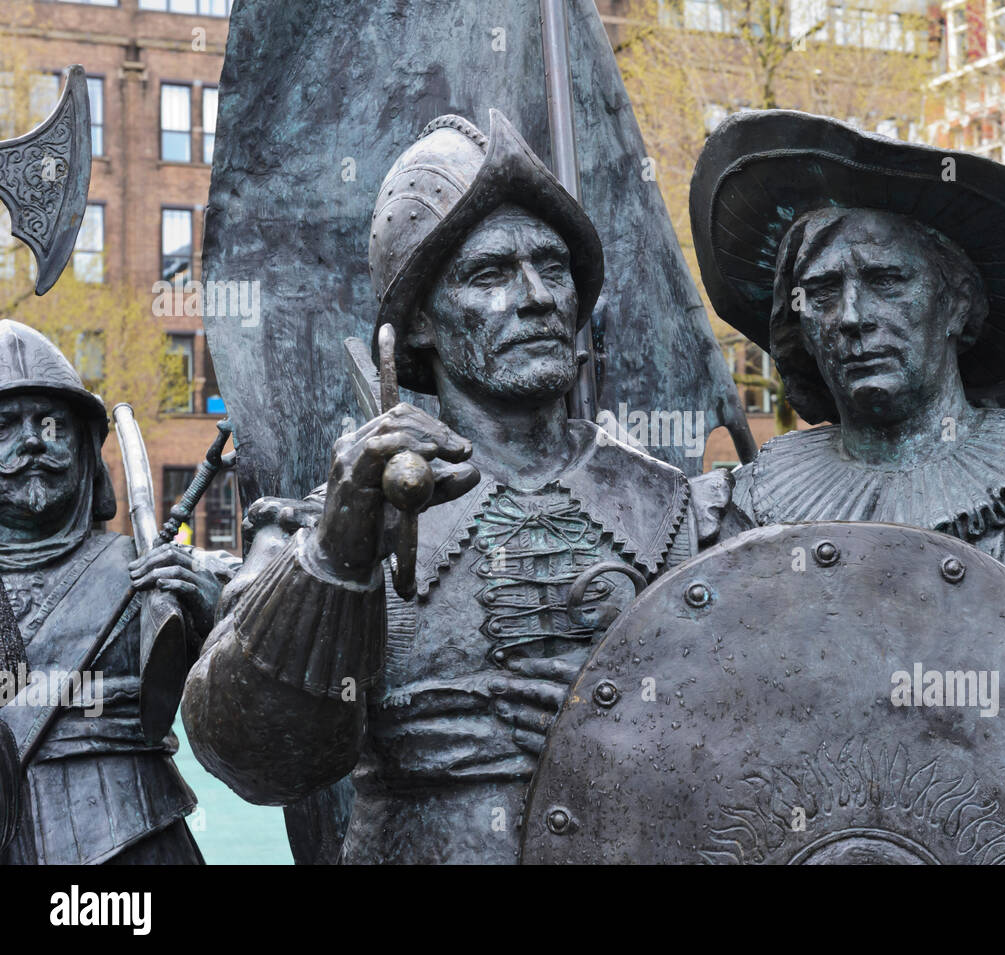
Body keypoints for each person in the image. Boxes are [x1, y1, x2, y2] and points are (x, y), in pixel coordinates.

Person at [182, 111, 730, 864]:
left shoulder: (682, 512)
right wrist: (336, 559)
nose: (537, 296)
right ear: (417, 328)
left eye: (553, 266)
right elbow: (253, 757)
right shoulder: (323, 524)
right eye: (490, 273)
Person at [690, 110, 1005, 787]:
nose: (852, 316)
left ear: (957, 304)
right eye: (823, 291)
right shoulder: (741, 509)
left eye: (887, 279)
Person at [0, 320, 224, 863]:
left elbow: (254, 735)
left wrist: (219, 622)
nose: (33, 440)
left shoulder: (154, 573)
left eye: (52, 425)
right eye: (4, 425)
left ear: (83, 448)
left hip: (133, 844)